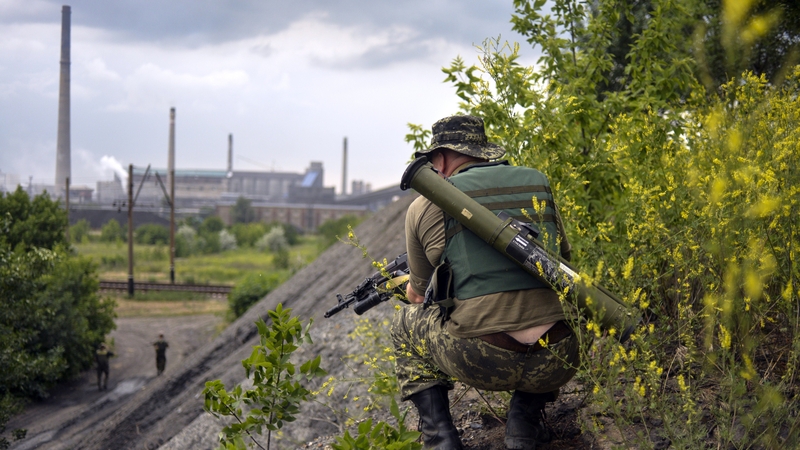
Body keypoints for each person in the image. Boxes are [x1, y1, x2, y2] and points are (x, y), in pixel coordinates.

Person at [392, 115, 580, 450]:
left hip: (480, 357)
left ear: (440, 158)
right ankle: (523, 423)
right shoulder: (536, 181)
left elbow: (418, 297)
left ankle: (441, 439)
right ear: (483, 151)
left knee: (405, 323)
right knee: (560, 314)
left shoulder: (425, 204)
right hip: (556, 357)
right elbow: (563, 262)